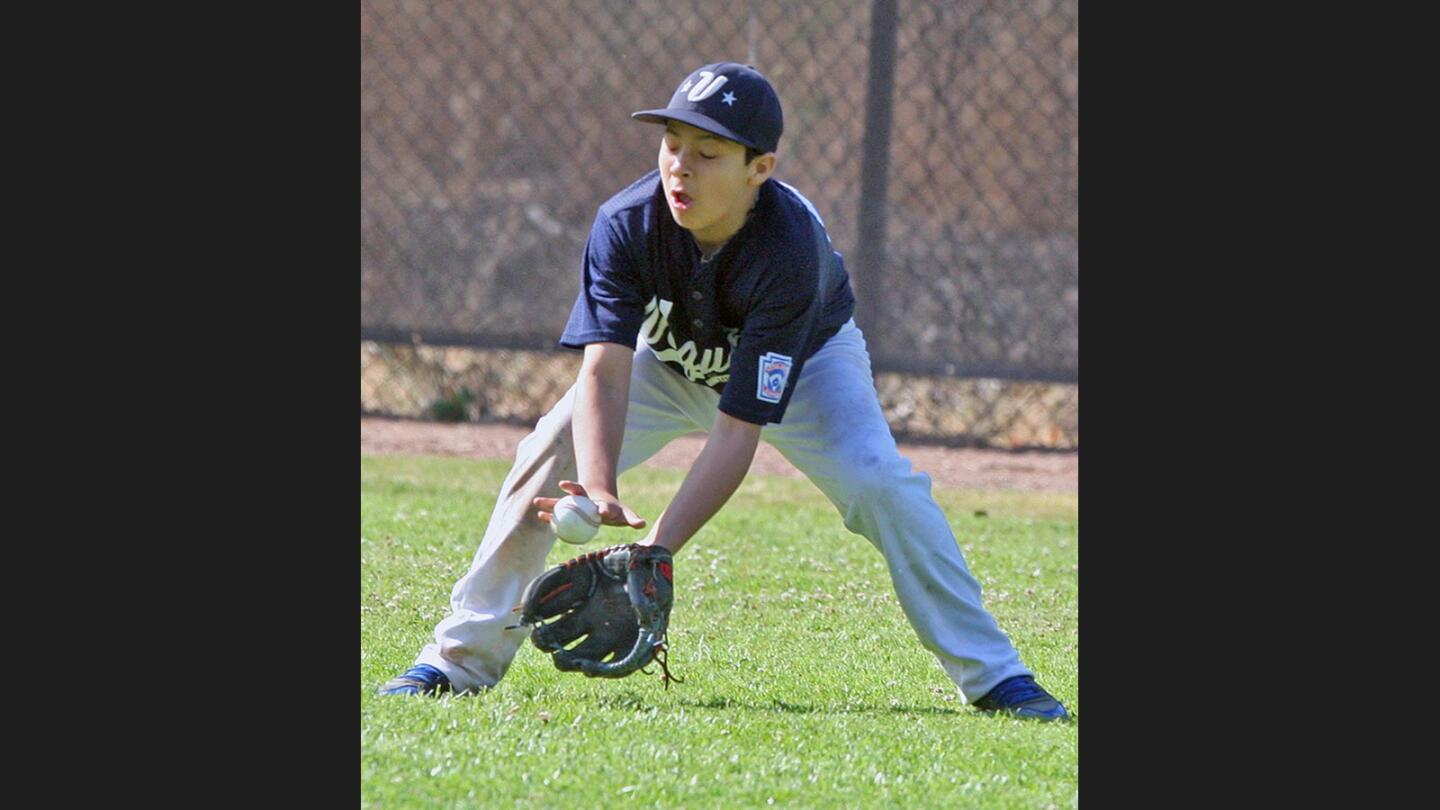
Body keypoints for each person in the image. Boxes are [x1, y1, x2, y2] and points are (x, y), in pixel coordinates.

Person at [380, 62, 1070, 721]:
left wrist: (656, 552)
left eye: (709, 152)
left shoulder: (789, 249)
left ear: (759, 169)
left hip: (808, 368)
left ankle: (994, 674)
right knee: (549, 446)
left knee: (880, 484)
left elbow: (736, 433)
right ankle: (456, 661)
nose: (681, 164)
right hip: (674, 361)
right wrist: (597, 484)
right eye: (672, 143)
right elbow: (605, 370)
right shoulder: (626, 224)